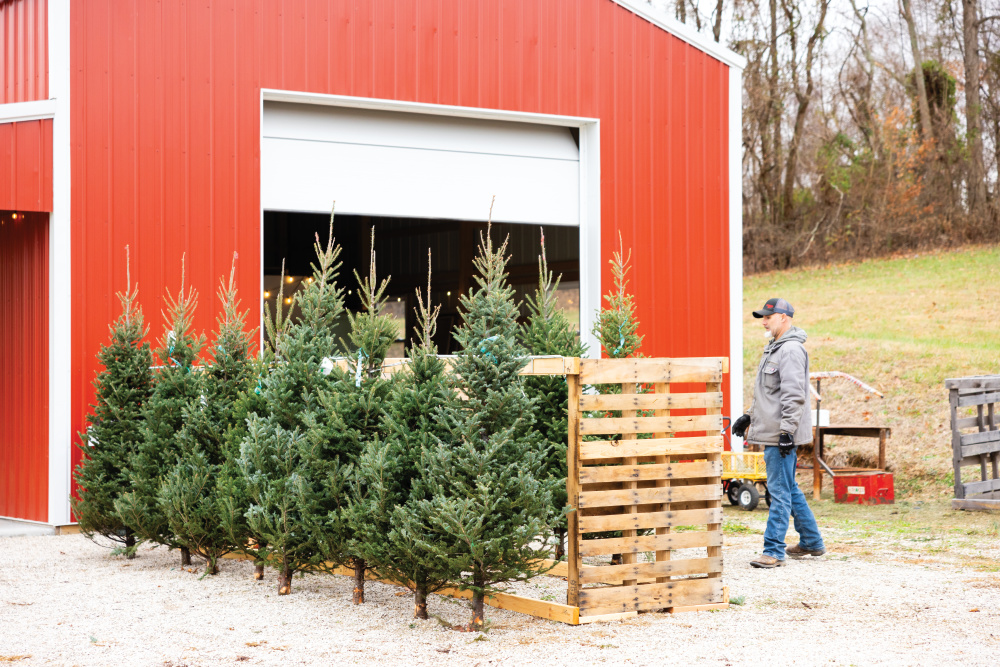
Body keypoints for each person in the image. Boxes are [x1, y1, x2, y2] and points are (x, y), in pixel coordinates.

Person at [731, 298, 825, 568]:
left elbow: (794, 396)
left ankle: (773, 551)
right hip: (774, 429)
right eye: (762, 317)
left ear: (784, 318)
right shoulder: (774, 348)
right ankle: (812, 542)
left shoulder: (791, 350)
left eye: (768, 317)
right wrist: (749, 415)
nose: (763, 321)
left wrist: (786, 432)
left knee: (779, 490)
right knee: (789, 488)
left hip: (781, 434)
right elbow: (768, 394)